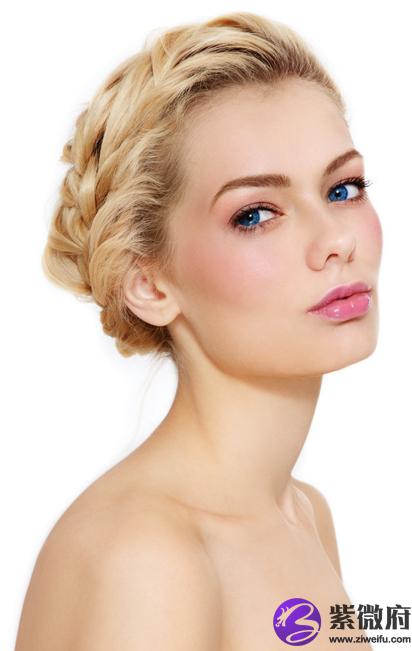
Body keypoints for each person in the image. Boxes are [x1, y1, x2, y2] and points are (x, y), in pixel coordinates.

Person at [15, 11, 382, 650]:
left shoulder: (305, 516)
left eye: (343, 188)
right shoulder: (147, 557)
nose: (335, 241)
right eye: (256, 214)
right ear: (149, 283)